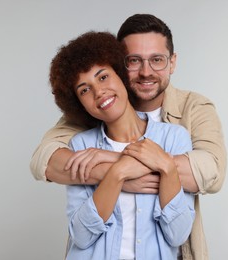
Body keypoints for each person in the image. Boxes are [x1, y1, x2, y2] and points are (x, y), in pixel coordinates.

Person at [31, 14, 227, 260]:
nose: (146, 72)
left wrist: (113, 159)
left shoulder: (190, 113)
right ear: (122, 67)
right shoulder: (85, 129)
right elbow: (43, 160)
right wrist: (119, 174)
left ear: (172, 62)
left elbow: (212, 171)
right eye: (134, 60)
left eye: (157, 60)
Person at [51, 31, 195, 259]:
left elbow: (177, 235)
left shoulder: (174, 138)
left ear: (120, 75)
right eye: (84, 90)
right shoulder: (81, 145)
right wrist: (117, 173)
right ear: (79, 103)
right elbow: (81, 236)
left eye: (103, 77)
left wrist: (167, 167)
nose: (99, 92)